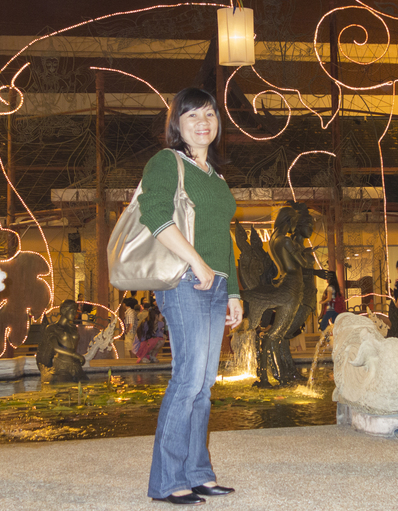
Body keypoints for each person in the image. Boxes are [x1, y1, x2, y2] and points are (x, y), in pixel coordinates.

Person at [138, 87, 243, 505]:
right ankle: (167, 481)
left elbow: (224, 239)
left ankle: (198, 473)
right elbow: (154, 214)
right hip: (184, 280)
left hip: (215, 285)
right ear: (177, 124)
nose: (203, 122)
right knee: (187, 380)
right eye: (193, 115)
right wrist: (197, 263)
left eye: (210, 114)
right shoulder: (167, 162)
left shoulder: (216, 177)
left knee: (204, 386)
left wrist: (233, 291)